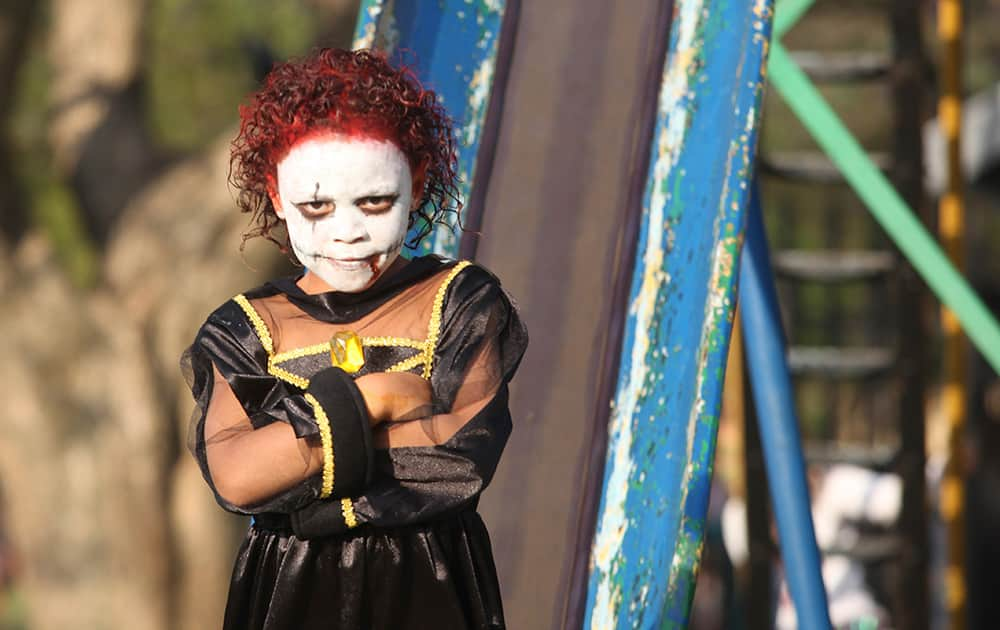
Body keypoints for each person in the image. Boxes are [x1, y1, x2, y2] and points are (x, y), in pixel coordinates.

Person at [181, 48, 527, 630]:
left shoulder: (461, 300)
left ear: (415, 184)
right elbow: (237, 475)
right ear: (275, 194)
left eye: (375, 202)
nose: (347, 232)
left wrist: (295, 475)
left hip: (429, 585)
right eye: (316, 206)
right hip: (291, 592)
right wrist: (376, 401)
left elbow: (454, 458)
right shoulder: (241, 329)